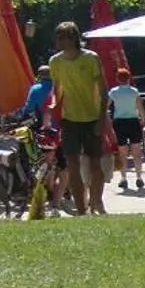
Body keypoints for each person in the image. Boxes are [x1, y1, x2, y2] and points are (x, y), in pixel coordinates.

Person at [47, 20, 108, 215]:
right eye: (57, 37)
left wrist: (101, 120)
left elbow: (104, 91)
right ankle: (82, 211)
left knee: (95, 163)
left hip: (91, 118)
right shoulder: (55, 62)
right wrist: (54, 103)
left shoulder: (91, 58)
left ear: (72, 38)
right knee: (72, 166)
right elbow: (57, 89)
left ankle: (96, 201)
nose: (58, 41)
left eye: (61, 37)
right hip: (69, 119)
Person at [107, 67, 145, 193]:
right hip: (133, 121)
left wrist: (108, 118)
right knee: (136, 151)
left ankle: (123, 177)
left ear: (118, 79)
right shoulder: (134, 91)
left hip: (119, 122)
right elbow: (140, 106)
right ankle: (139, 176)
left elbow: (106, 106)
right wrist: (143, 118)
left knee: (122, 152)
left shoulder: (113, 91)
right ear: (129, 78)